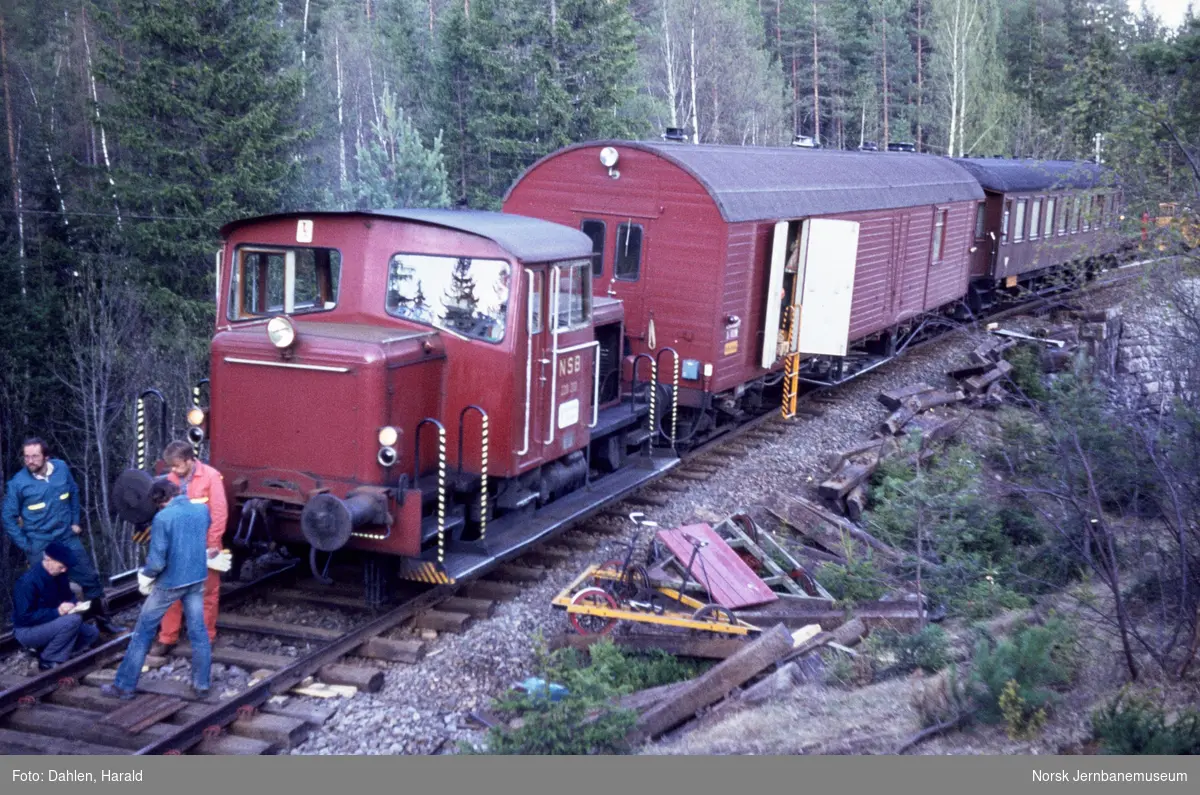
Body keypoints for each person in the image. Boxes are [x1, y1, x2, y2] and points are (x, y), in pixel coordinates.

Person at [101, 480, 212, 701]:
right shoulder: (202, 510)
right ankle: (202, 684)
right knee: (199, 632)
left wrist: (146, 575)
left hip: (169, 583)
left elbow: (158, 561)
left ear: (159, 500)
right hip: (197, 578)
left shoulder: (162, 518)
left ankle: (124, 686)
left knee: (143, 632)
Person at [2, 437, 119, 634]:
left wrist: (75, 520)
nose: (30, 461)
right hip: (40, 543)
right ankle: (49, 635)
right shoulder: (18, 484)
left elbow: (73, 492)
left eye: (35, 456)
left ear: (46, 456)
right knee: (45, 590)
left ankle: (102, 621)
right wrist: (26, 544)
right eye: (26, 457)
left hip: (66, 538)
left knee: (90, 579)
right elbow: (7, 517)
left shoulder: (61, 469)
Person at [151, 441, 229, 655]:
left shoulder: (211, 477)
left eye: (177, 466)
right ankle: (167, 638)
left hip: (204, 545)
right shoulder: (170, 480)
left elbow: (219, 512)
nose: (173, 471)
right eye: (171, 467)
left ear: (189, 460)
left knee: (206, 594)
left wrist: (213, 543)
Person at [12, 541, 101, 670]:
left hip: (50, 623)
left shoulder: (60, 575)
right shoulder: (27, 582)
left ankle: (46, 649)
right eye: (61, 567)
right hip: (27, 630)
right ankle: (48, 660)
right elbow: (24, 617)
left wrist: (75, 604)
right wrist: (57, 612)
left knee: (92, 633)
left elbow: (67, 596)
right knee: (73, 620)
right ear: (48, 560)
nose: (64, 570)